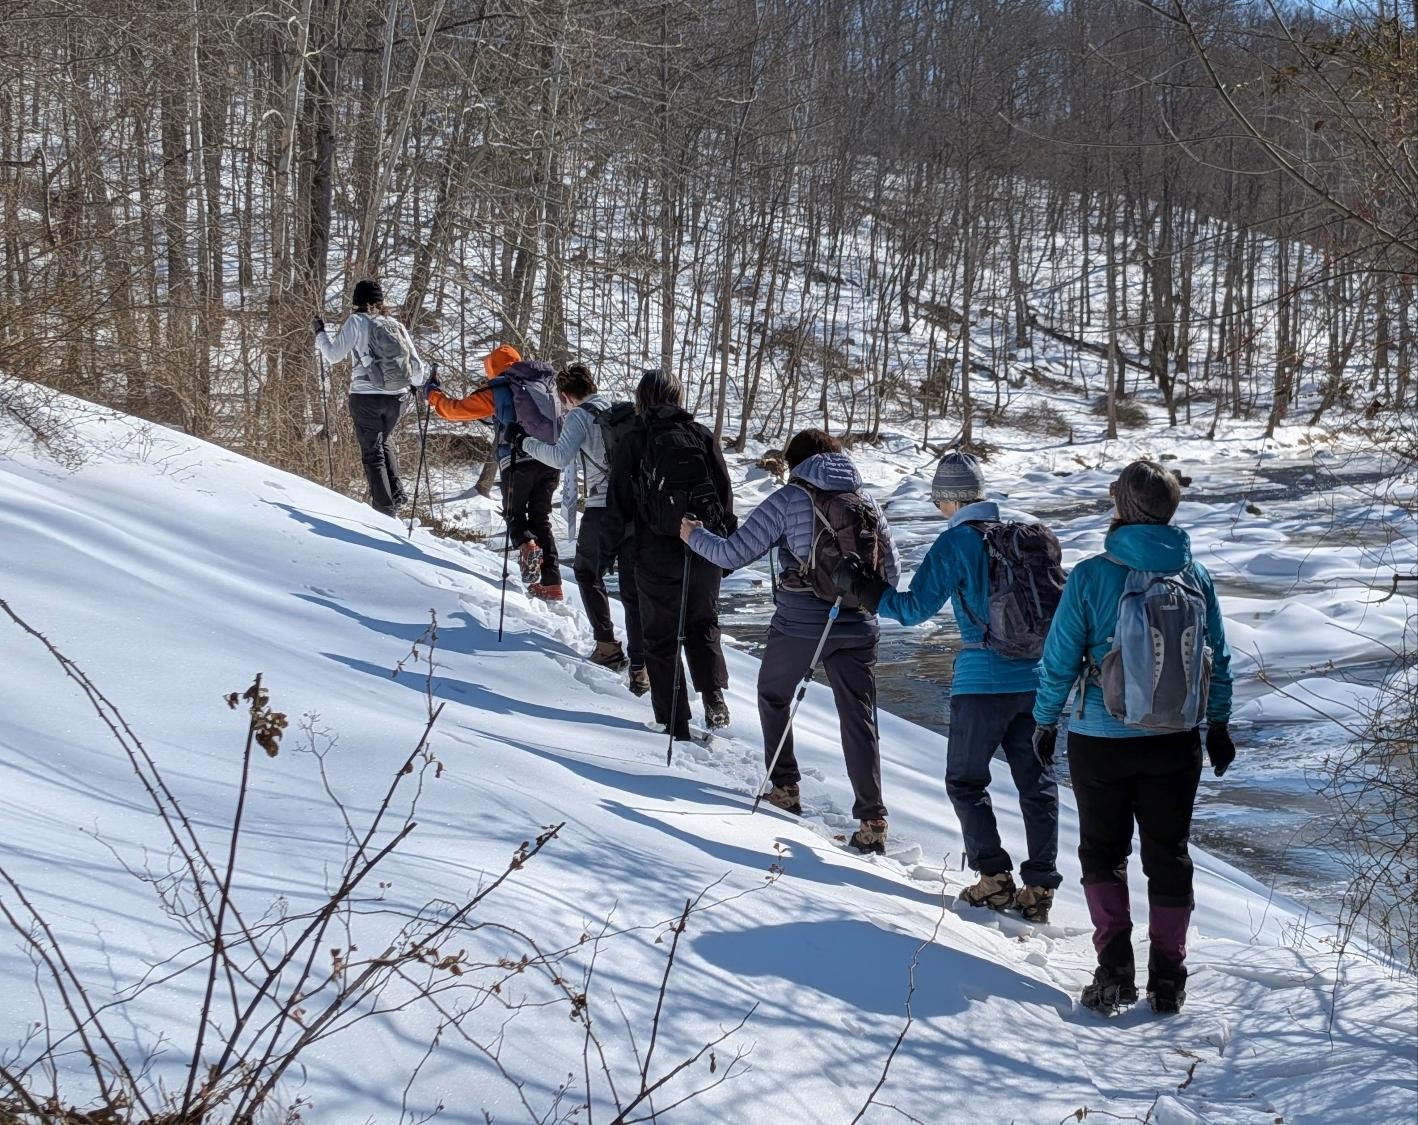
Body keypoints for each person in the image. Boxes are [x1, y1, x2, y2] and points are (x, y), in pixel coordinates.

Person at [1032, 459, 1234, 1015]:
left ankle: (1115, 971)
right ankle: (1169, 979)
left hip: (1101, 739)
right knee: (1169, 854)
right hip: (1176, 738)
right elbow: (1219, 659)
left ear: (1121, 506)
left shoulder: (1092, 576)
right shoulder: (1195, 576)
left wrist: (1045, 721)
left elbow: (1059, 661)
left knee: (1103, 853)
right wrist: (1218, 724)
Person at [842, 451, 1063, 916]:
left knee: (965, 781)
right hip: (1037, 681)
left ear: (948, 499)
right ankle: (1040, 888)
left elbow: (913, 610)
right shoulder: (1023, 535)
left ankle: (994, 878)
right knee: (1037, 784)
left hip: (982, 684)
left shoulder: (957, 542)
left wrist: (866, 590)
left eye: (937, 499)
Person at [682, 429, 901, 855]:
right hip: (860, 624)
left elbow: (732, 554)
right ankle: (872, 818)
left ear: (795, 463)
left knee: (773, 694)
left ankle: (784, 786)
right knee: (859, 717)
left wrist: (693, 535)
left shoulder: (789, 499)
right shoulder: (866, 501)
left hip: (801, 623)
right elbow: (890, 575)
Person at [605, 370, 732, 739]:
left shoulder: (635, 438)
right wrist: (724, 547)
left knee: (660, 636)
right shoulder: (700, 435)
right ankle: (713, 697)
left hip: (655, 551)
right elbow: (724, 493)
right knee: (703, 623)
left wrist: (608, 551)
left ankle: (675, 722)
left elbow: (618, 502)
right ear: (678, 397)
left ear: (641, 398)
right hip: (704, 546)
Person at [513, 363, 643, 675]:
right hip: (634, 506)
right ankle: (641, 661)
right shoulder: (617, 409)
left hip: (602, 507)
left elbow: (560, 457)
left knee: (586, 572)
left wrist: (523, 442)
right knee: (631, 584)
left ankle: (607, 646)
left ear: (565, 396)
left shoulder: (580, 416)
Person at [424, 345, 563, 601]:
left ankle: (527, 545)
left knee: (514, 513)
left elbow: (454, 410)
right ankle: (552, 583)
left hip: (517, 460)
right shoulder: (542, 384)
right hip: (550, 459)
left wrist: (433, 394)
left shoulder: (498, 389)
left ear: (493, 369)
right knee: (541, 518)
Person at [314, 279, 425, 518]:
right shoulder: (395, 324)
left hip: (365, 396)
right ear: (380, 301)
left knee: (372, 452)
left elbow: (333, 356)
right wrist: (413, 385)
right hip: (397, 398)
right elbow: (417, 369)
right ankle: (396, 493)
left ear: (357, 301)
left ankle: (384, 511)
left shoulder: (356, 321)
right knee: (384, 440)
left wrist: (320, 333)